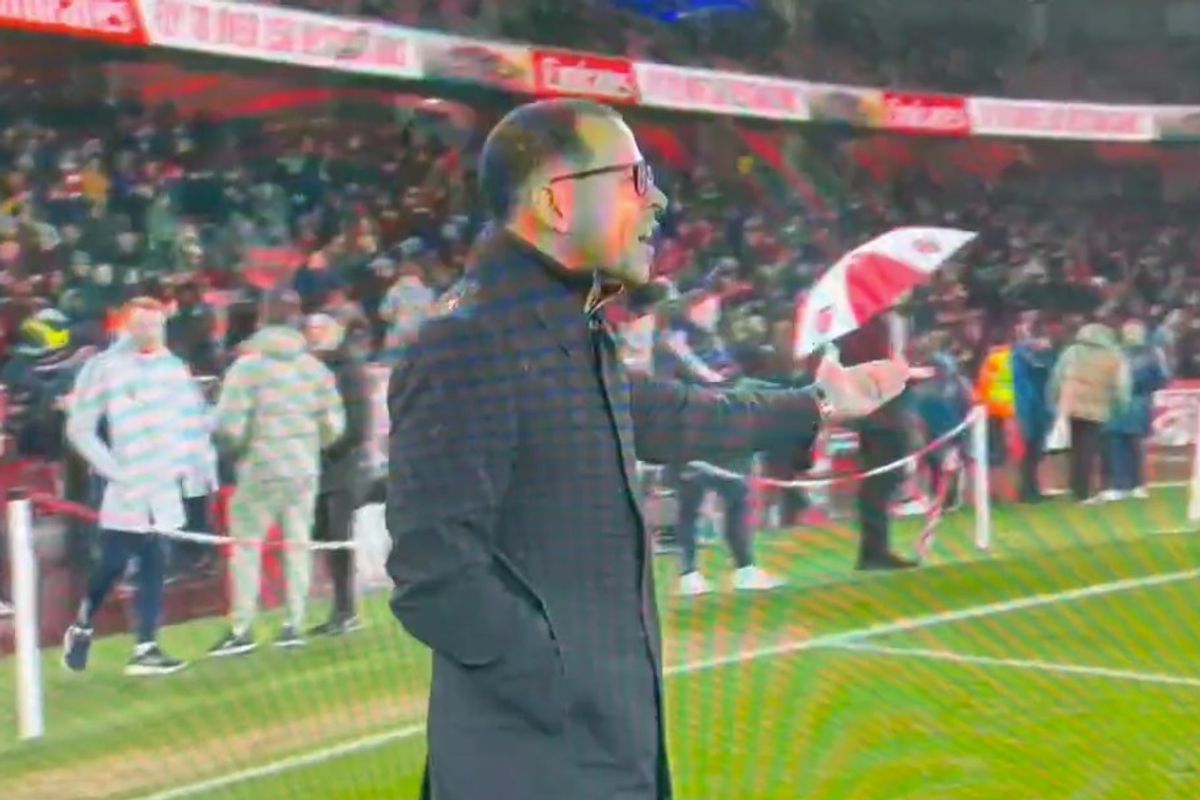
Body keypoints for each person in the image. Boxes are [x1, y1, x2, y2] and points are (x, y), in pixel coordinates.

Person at [385, 98, 909, 800]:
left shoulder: (565, 330)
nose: (657, 200)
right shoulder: (469, 340)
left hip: (597, 750)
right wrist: (570, 680)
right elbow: (434, 572)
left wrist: (819, 403)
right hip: (536, 768)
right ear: (556, 203)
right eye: (635, 179)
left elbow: (684, 415)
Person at [61, 297, 214, 676]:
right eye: (142, 325)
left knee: (154, 561)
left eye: (156, 325)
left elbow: (193, 423)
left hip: (164, 484)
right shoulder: (104, 369)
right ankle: (83, 622)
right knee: (112, 564)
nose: (149, 332)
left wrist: (196, 473)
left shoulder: (174, 369)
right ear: (126, 327)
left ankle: (146, 646)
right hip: (124, 485)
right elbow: (79, 428)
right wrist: (113, 470)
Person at [208, 289, 345, 655]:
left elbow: (228, 425)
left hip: (261, 465)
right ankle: (294, 624)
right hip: (303, 466)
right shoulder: (314, 368)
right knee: (298, 543)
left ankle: (242, 627)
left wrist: (238, 449)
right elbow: (334, 424)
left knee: (247, 545)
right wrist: (310, 444)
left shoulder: (248, 367)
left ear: (261, 320)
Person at [654, 287, 783, 595]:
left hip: (724, 437)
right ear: (691, 311)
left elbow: (727, 381)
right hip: (693, 438)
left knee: (737, 499)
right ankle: (689, 574)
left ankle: (744, 568)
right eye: (708, 309)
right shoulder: (671, 347)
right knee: (690, 504)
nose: (714, 315)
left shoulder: (709, 342)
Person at [836, 310, 921, 570]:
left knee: (883, 482)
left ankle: (875, 548)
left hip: (883, 413)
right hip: (880, 416)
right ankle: (874, 550)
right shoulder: (865, 329)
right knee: (878, 483)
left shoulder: (876, 325)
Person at [303, 313, 371, 635]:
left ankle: (347, 610)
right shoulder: (310, 371)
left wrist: (328, 451)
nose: (314, 335)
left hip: (343, 468)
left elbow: (358, 426)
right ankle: (339, 609)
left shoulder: (350, 371)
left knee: (339, 537)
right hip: (317, 467)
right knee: (325, 537)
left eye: (321, 329)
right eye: (311, 330)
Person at [1049, 321, 1131, 503]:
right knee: (1088, 448)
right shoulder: (1113, 355)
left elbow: (1057, 376)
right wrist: (1121, 404)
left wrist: (1054, 398)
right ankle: (1084, 491)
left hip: (1071, 404)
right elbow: (1122, 384)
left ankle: (1076, 487)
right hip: (1097, 406)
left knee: (1074, 448)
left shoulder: (1072, 353)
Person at [1103, 320, 1169, 500]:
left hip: (1138, 403)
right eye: (1128, 332)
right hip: (1116, 405)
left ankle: (1137, 484)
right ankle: (1120, 485)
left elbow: (1162, 378)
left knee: (1135, 445)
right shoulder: (1115, 353)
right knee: (1117, 445)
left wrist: (1142, 386)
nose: (1131, 335)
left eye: (1134, 332)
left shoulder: (1153, 353)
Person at [1011, 314, 1057, 503]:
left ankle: (1032, 487)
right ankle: (1027, 489)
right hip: (1028, 405)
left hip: (1038, 404)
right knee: (1030, 447)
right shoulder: (1021, 353)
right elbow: (1039, 367)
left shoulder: (1031, 353)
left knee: (1036, 448)